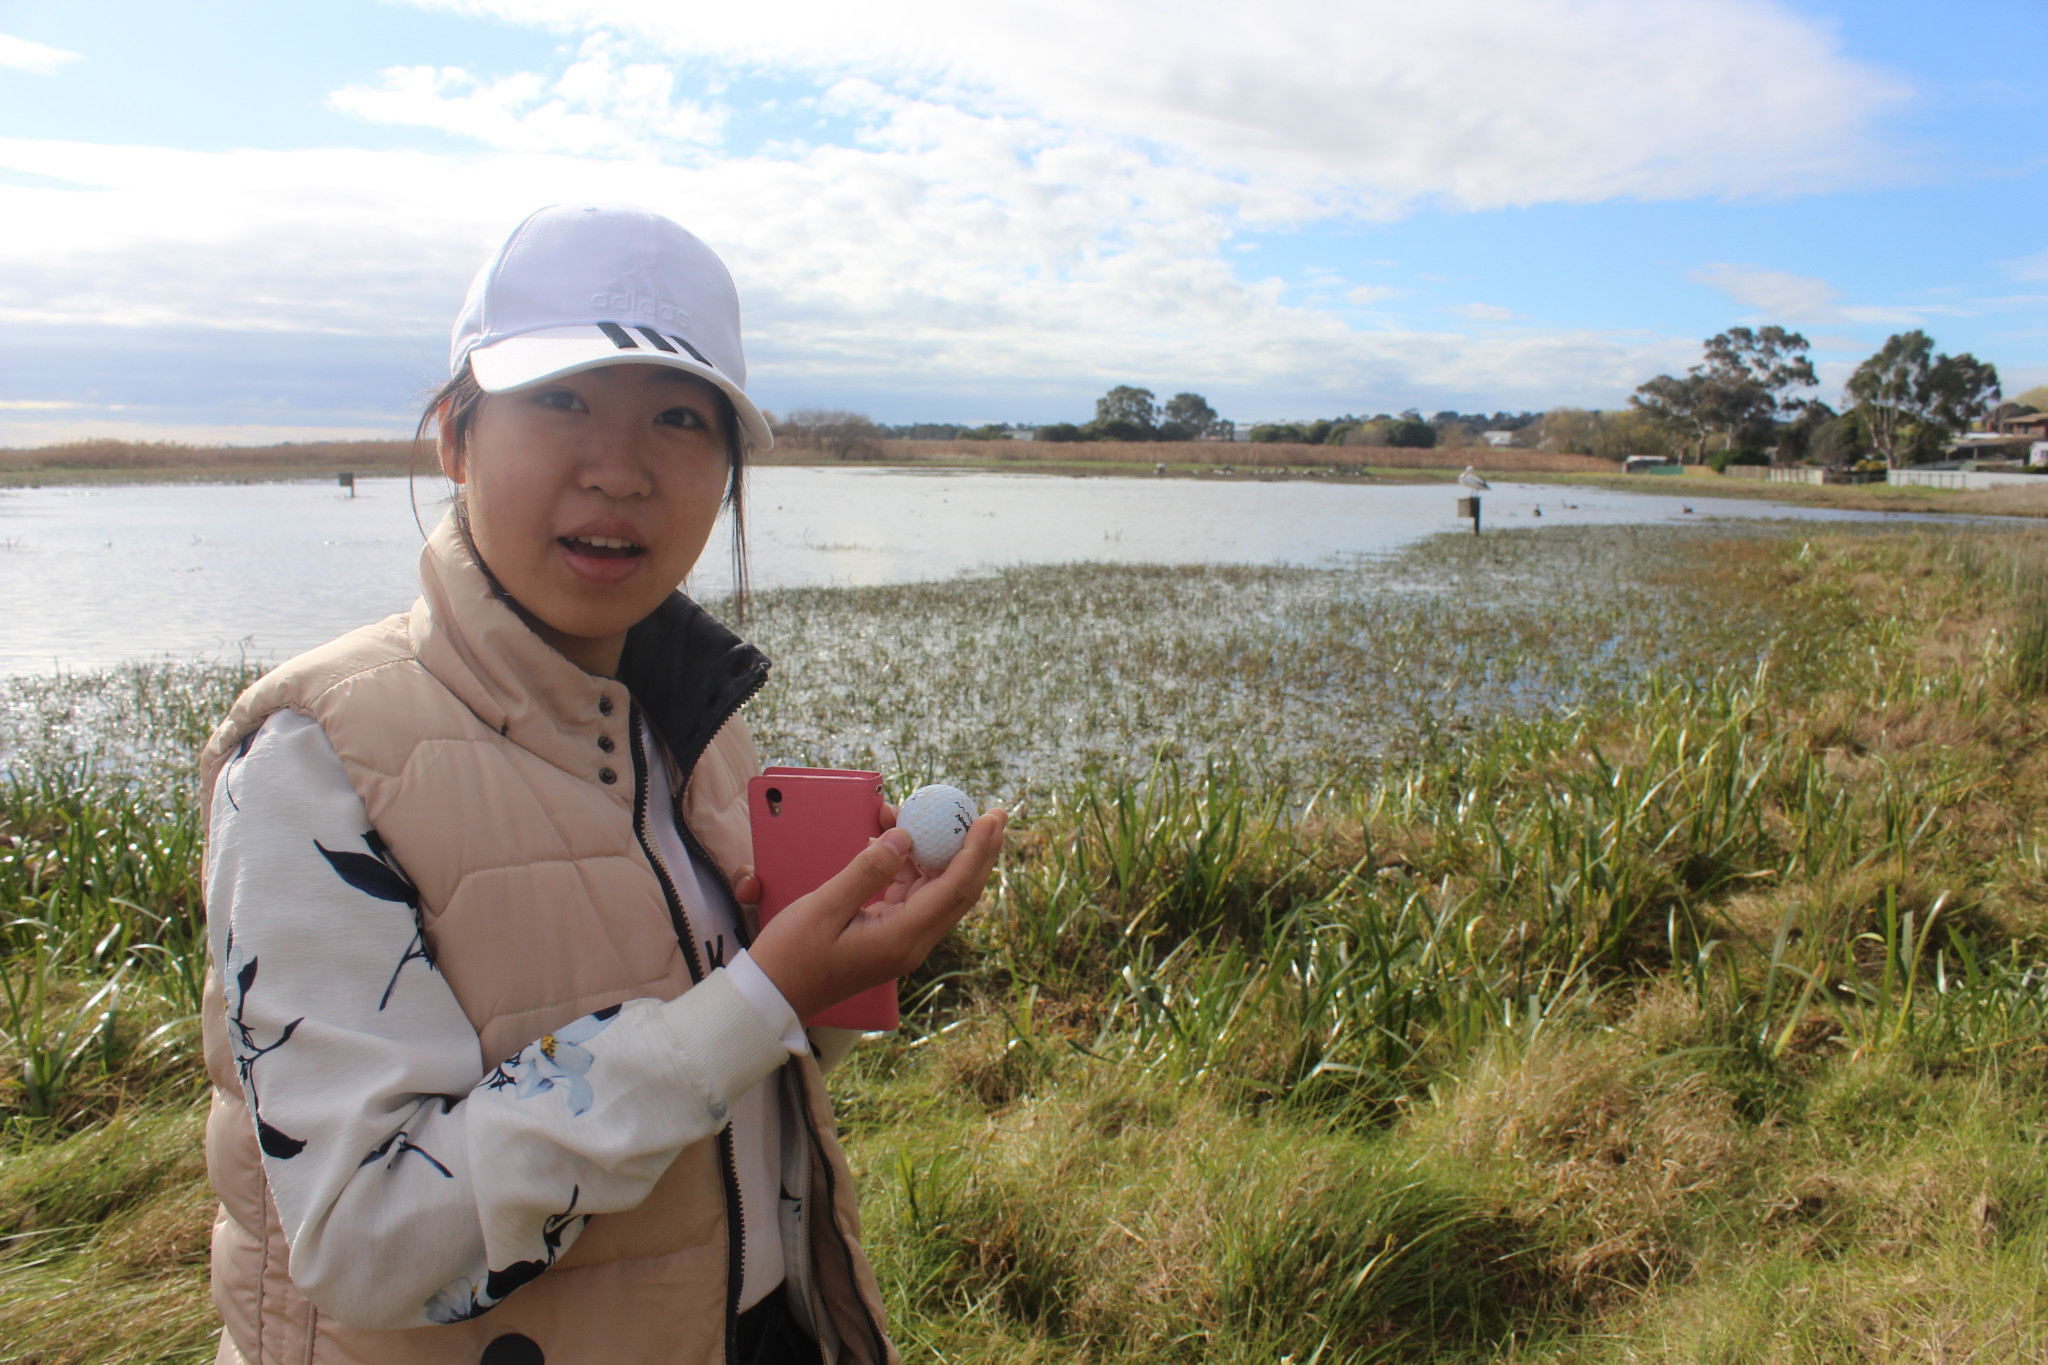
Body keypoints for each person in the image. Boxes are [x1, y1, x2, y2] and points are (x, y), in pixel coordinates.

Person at [196, 203, 1006, 1365]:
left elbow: (739, 1091)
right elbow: (365, 1241)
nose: (619, 469)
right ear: (456, 440)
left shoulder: (693, 729)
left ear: (725, 474)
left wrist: (823, 981)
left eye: (680, 418)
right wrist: (757, 1002)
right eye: (562, 399)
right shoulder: (317, 757)